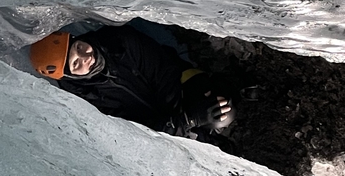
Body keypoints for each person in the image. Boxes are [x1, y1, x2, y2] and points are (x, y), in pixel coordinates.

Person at [29, 25, 238, 147]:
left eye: (80, 47)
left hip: (179, 85)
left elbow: (165, 74)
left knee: (219, 114)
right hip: (162, 126)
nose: (86, 57)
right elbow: (131, 131)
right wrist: (187, 121)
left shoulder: (121, 42)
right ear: (69, 76)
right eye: (75, 63)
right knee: (204, 128)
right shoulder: (84, 98)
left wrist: (187, 119)